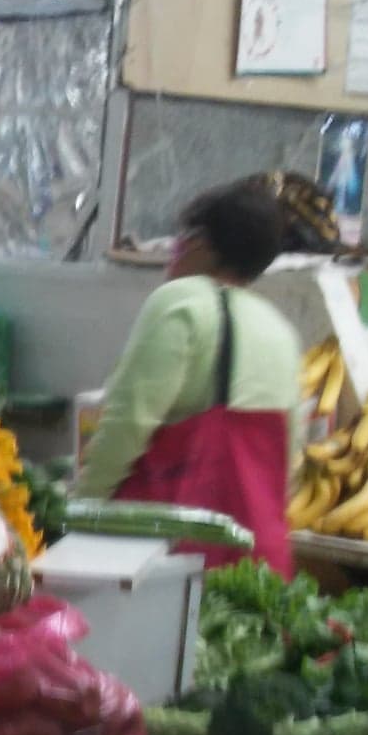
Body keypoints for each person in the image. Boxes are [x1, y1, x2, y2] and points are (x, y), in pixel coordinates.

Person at [76, 180, 303, 573]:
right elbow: (291, 459)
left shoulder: (182, 302)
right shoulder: (279, 329)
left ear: (198, 242)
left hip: (177, 556)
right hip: (258, 558)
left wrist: (81, 511)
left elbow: (126, 424)